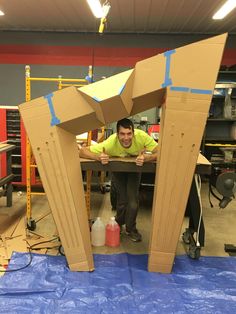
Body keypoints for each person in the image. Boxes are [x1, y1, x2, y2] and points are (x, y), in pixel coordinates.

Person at [79, 118, 158, 242]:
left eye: (129, 133)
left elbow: (161, 151)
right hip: (118, 169)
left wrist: (148, 158)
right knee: (122, 199)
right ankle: (118, 223)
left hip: (135, 168)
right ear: (117, 134)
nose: (126, 138)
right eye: (122, 134)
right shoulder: (110, 142)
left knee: (132, 201)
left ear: (133, 132)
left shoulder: (141, 136)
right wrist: (98, 157)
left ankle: (131, 229)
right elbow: (82, 151)